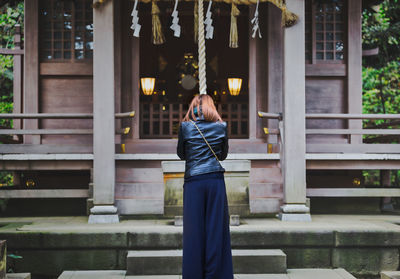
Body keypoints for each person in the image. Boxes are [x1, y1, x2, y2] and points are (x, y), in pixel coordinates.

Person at [177, 94, 234, 279]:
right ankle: (216, 275)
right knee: (216, 230)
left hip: (194, 181)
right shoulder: (221, 127)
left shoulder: (186, 127)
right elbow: (223, 155)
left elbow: (181, 154)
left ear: (193, 106)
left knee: (194, 232)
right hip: (215, 181)